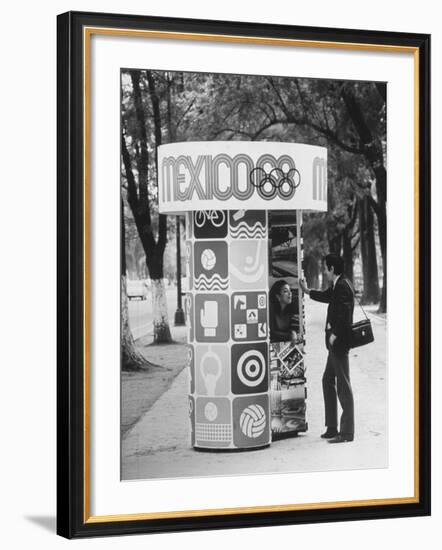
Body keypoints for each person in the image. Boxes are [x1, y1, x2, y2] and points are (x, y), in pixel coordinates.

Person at [299, 254, 355, 443]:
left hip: (339, 343)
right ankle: (332, 427)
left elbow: (345, 315)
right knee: (327, 380)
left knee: (343, 386)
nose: (324, 271)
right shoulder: (338, 285)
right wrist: (307, 291)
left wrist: (335, 334)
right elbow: (327, 296)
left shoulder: (343, 286)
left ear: (332, 269)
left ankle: (346, 432)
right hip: (335, 344)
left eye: (325, 268)